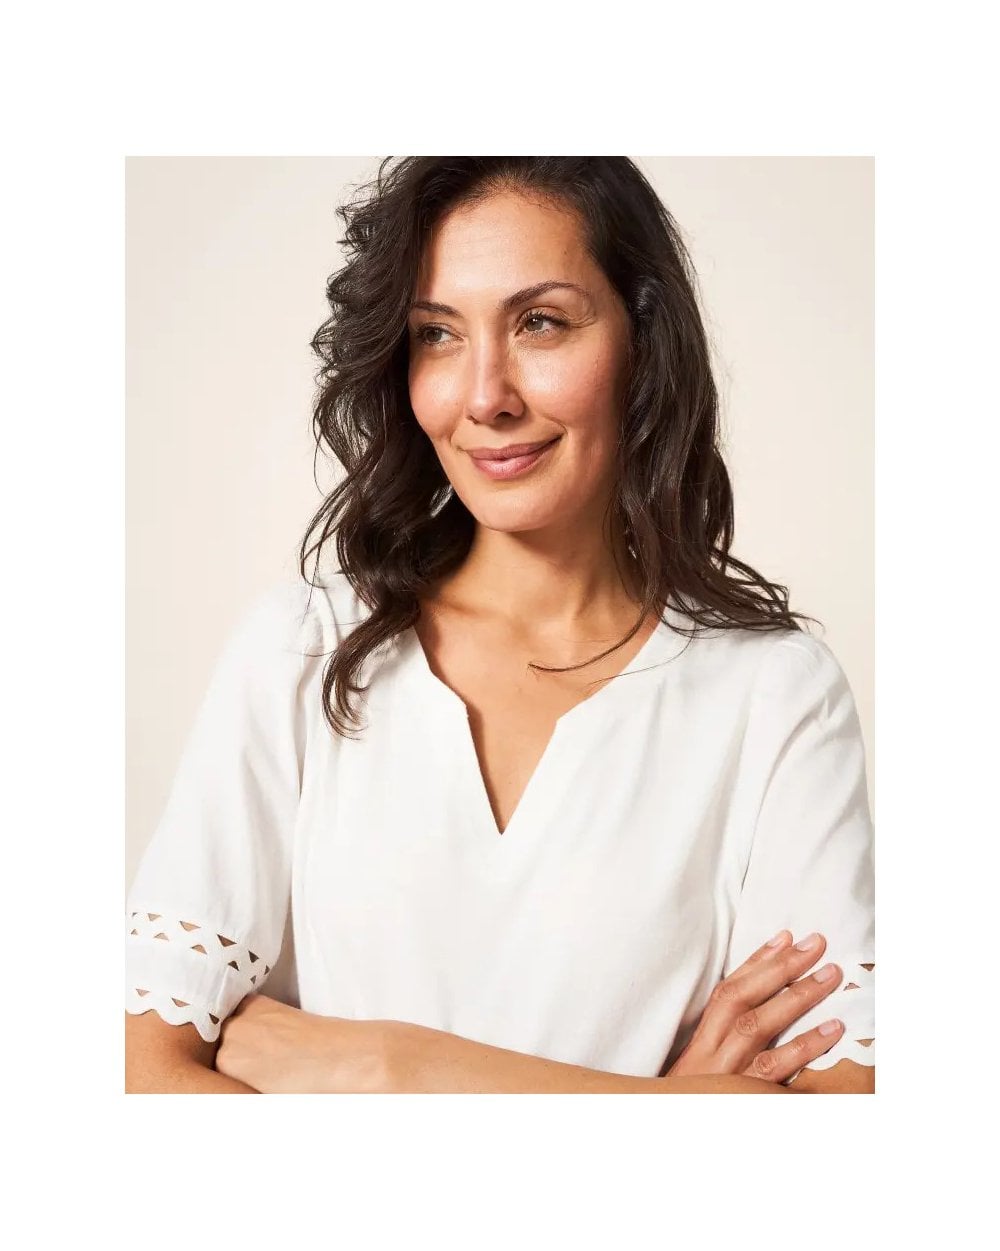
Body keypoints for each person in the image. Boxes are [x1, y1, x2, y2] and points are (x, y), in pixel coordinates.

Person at [125, 157, 875, 1094]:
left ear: (643, 341)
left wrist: (389, 1068)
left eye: (540, 322)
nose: (485, 396)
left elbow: (839, 1133)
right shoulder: (303, 649)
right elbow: (142, 1077)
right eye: (437, 334)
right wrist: (669, 1110)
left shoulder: (775, 694)